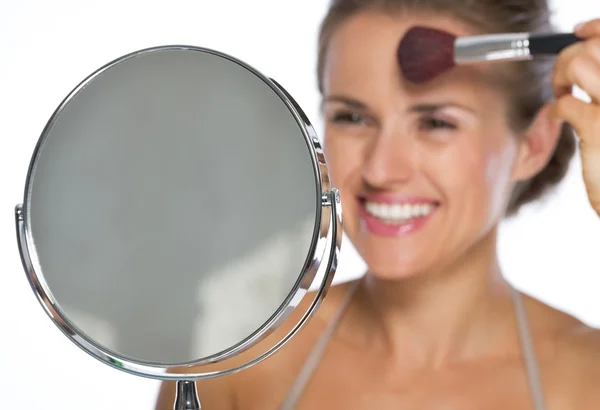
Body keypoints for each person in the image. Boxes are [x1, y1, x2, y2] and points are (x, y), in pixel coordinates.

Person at [156, 0, 600, 408]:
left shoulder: (586, 379)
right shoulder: (235, 361)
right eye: (352, 117)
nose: (380, 170)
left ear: (535, 144)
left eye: (436, 122)